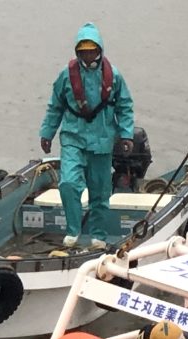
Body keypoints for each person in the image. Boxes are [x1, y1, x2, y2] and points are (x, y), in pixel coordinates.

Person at [38, 22, 136, 250]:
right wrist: (47, 133)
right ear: (78, 52)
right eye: (84, 51)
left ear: (100, 50)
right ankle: (73, 230)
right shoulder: (66, 75)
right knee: (69, 183)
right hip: (73, 137)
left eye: (92, 50)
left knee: (100, 192)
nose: (89, 55)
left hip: (102, 141)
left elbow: (125, 107)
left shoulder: (114, 76)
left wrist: (126, 135)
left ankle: (98, 235)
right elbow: (55, 106)